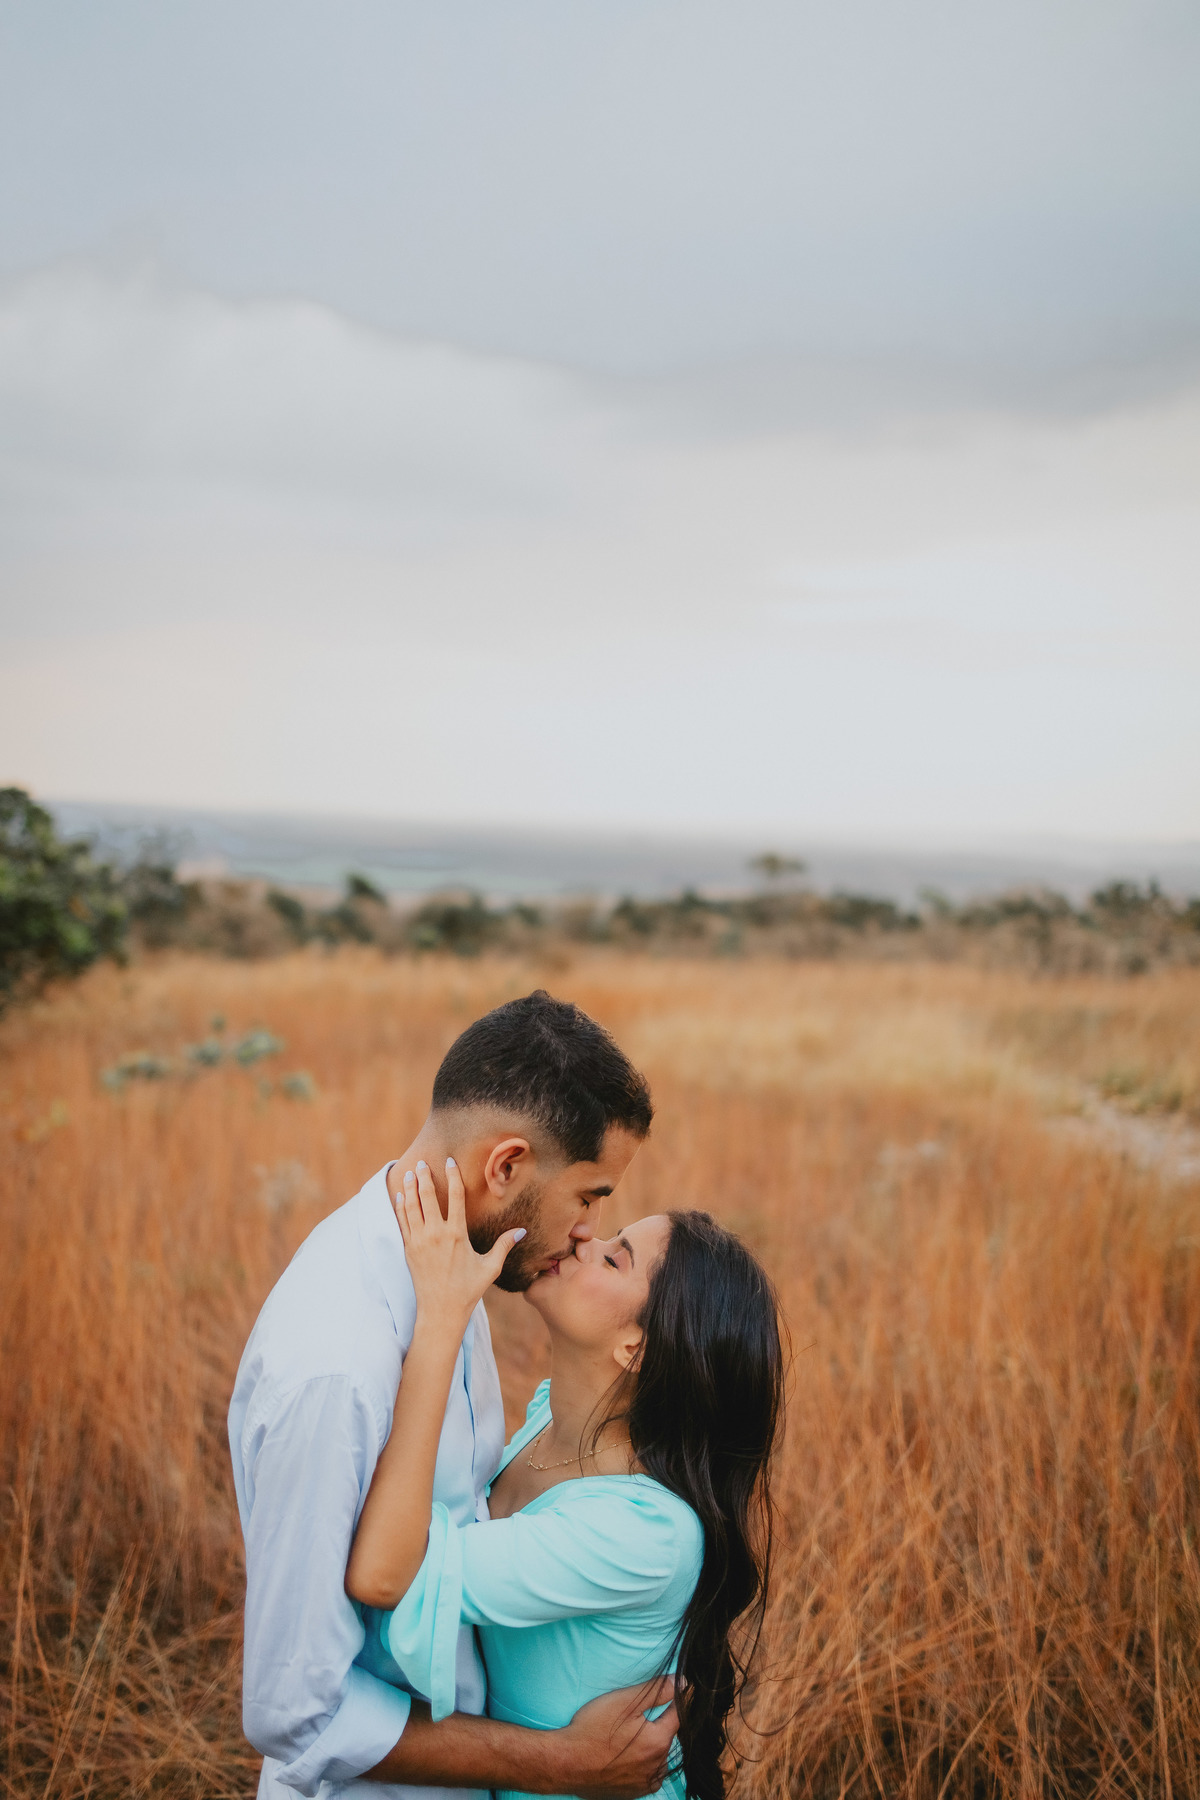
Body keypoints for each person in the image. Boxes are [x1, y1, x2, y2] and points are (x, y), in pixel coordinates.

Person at [229, 990, 674, 1800]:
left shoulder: (450, 1265)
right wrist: (565, 1764)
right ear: (505, 1167)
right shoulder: (337, 1364)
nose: (586, 1231)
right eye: (589, 1197)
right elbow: (295, 1713)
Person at [344, 1158, 783, 1800]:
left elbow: (385, 1575)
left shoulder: (642, 1532)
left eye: (614, 1258)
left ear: (637, 1348)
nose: (583, 1238)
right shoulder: (550, 1415)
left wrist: (441, 1316)